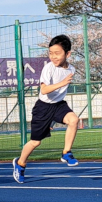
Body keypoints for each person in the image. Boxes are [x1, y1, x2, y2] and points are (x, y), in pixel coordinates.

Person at [13, 34, 80, 184]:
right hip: (43, 107)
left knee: (74, 120)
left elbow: (60, 91)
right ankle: (20, 163)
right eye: (51, 53)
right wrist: (62, 83)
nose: (53, 57)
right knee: (35, 142)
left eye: (57, 53)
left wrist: (55, 119)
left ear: (67, 54)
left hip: (59, 105)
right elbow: (44, 90)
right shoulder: (48, 68)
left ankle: (66, 153)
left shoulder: (72, 69)